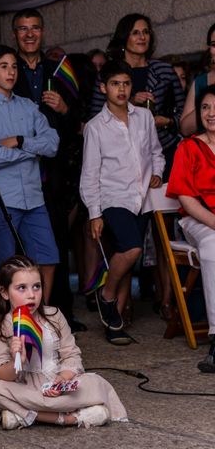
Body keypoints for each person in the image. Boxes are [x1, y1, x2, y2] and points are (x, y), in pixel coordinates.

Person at [0, 255, 127, 429]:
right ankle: (69, 418)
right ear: (5, 292)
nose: (31, 295)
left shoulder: (54, 316)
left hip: (54, 385)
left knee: (96, 384)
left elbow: (71, 354)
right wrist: (17, 361)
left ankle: (21, 415)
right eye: (22, 288)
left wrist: (63, 379)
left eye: (37, 287)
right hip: (23, 387)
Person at [80, 60, 165, 345]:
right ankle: (105, 295)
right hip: (112, 198)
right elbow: (90, 174)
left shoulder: (143, 117)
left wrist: (157, 172)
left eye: (126, 84)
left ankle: (114, 325)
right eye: (115, 84)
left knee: (128, 262)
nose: (121, 89)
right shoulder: (95, 127)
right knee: (132, 249)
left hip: (141, 198)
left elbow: (156, 152)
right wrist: (94, 213)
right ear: (104, 87)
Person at [10, 8, 84, 332]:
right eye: (23, 29)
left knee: (56, 241)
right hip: (18, 169)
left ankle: (58, 314)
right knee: (21, 245)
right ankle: (20, 315)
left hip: (52, 171)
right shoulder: (8, 68)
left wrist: (64, 108)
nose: (29, 34)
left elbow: (78, 118)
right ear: (15, 34)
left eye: (35, 28)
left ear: (43, 31)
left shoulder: (60, 67)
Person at [0, 44, 60, 303]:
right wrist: (34, 150)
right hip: (2, 199)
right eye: (4, 66)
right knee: (2, 264)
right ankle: (3, 322)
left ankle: (39, 318)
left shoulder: (28, 106)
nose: (11, 72)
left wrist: (22, 141)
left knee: (48, 258)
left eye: (14, 66)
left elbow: (53, 145)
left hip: (34, 197)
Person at [89, 13, 184, 182]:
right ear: (124, 37)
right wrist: (129, 102)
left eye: (146, 32)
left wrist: (168, 121)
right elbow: (95, 117)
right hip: (121, 158)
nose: (142, 37)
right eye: (135, 32)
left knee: (166, 206)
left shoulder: (165, 70)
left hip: (164, 150)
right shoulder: (109, 72)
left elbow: (184, 113)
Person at [167, 83, 215, 373]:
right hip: (198, 220)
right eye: (206, 107)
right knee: (213, 247)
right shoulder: (188, 147)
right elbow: (185, 197)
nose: (211, 114)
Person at [180, 22, 215, 136]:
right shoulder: (201, 81)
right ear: (209, 49)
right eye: (214, 45)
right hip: (207, 150)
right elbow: (185, 129)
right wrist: (206, 104)